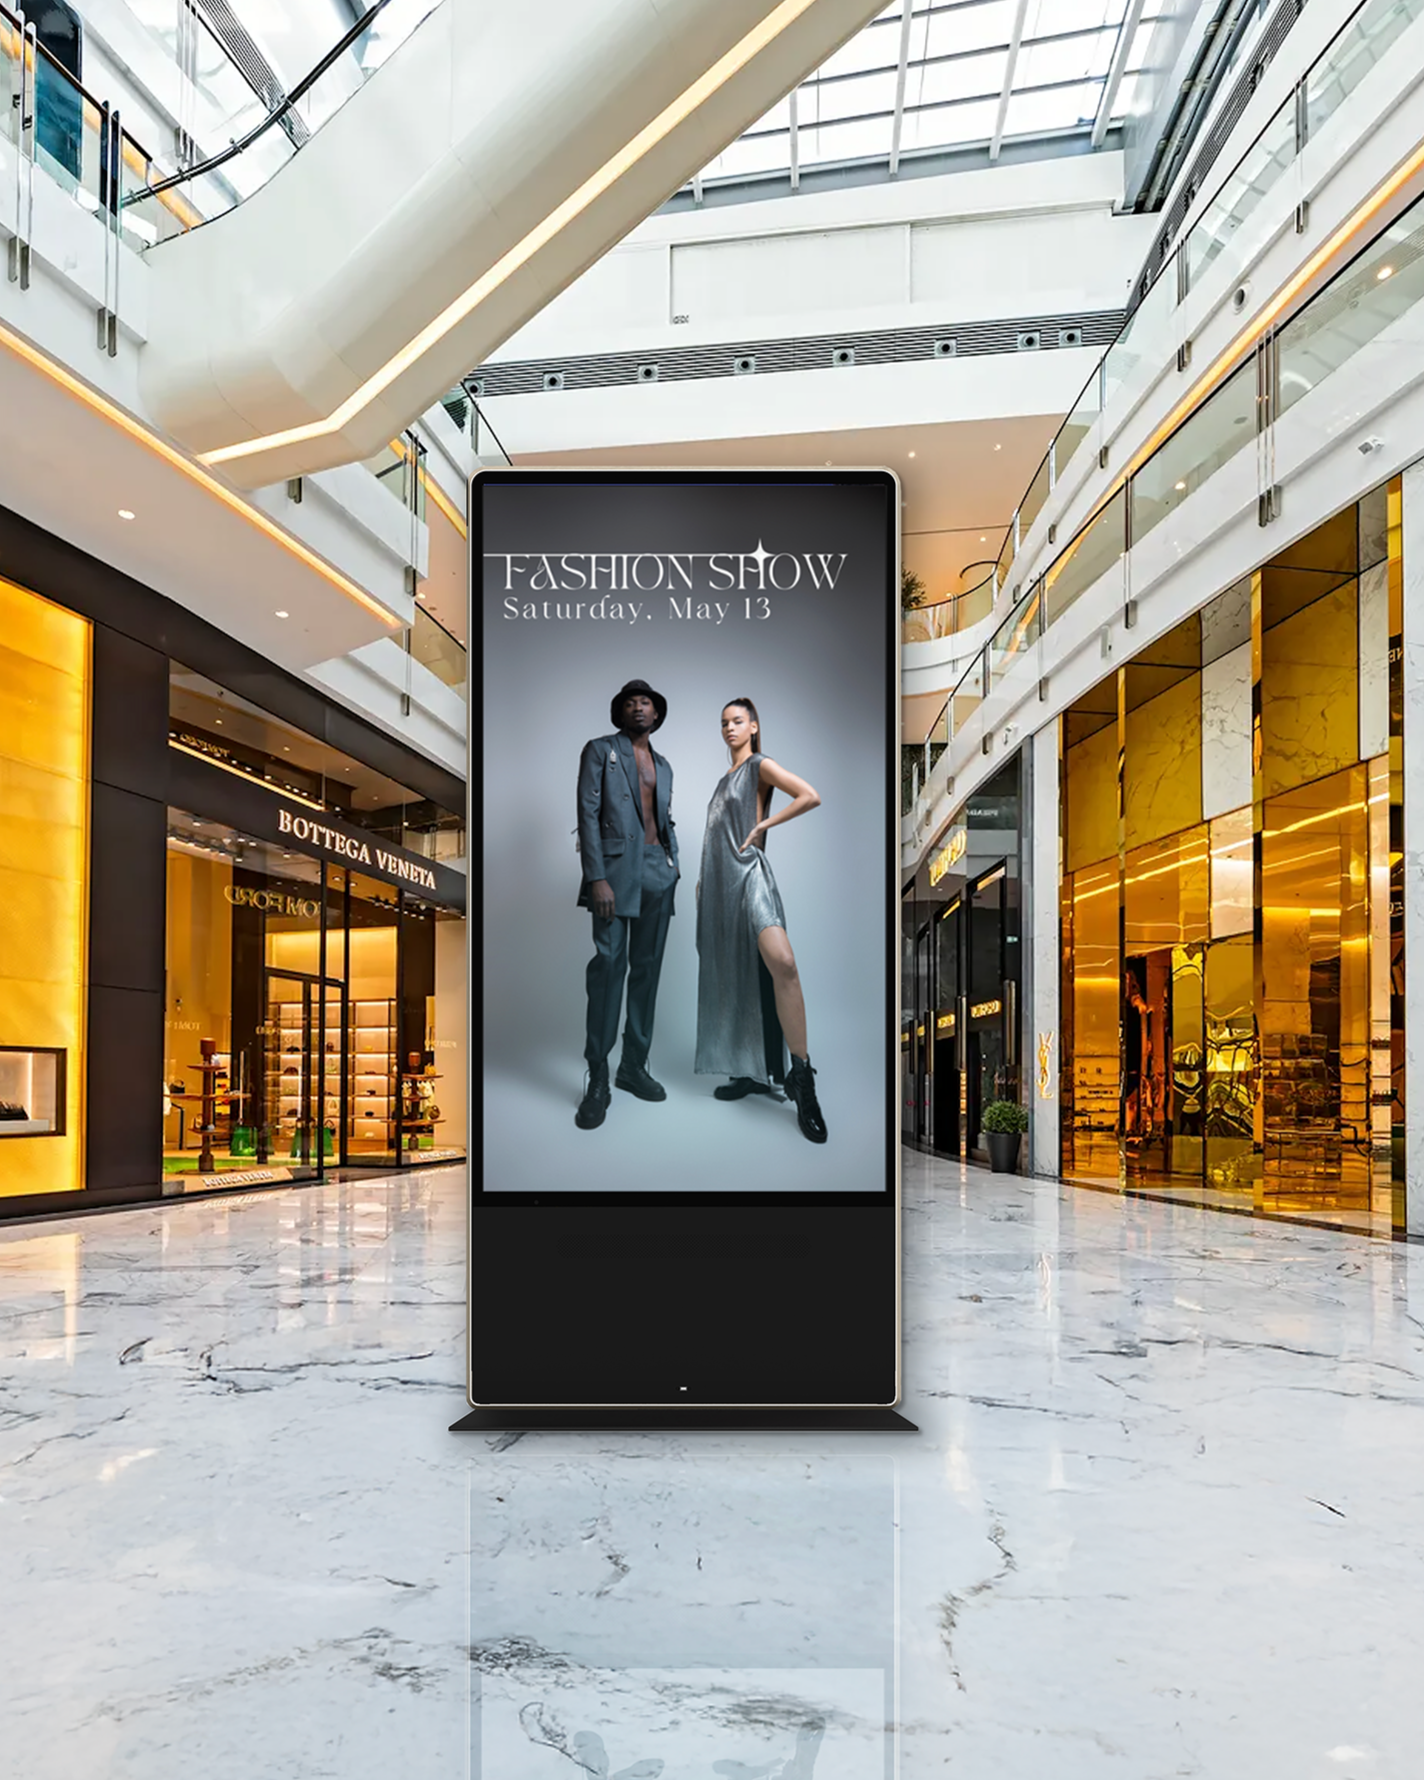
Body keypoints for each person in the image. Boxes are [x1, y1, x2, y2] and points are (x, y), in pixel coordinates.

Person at [695, 697, 827, 1144]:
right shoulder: (721, 781)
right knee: (735, 977)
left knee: (782, 963)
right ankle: (750, 1070)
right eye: (723, 723)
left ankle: (802, 1078)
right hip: (717, 890)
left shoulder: (758, 765)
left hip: (749, 879)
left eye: (737, 721)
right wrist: (700, 884)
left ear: (753, 726)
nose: (729, 728)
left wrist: (762, 828)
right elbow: (713, 837)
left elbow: (810, 795)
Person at [574, 679, 679, 1129]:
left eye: (647, 702)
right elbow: (586, 813)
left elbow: (662, 818)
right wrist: (596, 876)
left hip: (659, 871)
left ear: (657, 713)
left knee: (647, 971)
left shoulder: (665, 765)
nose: (640, 708)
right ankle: (598, 1074)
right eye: (631, 703)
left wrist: (674, 864)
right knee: (609, 968)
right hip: (613, 874)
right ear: (621, 712)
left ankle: (633, 1066)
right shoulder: (600, 750)